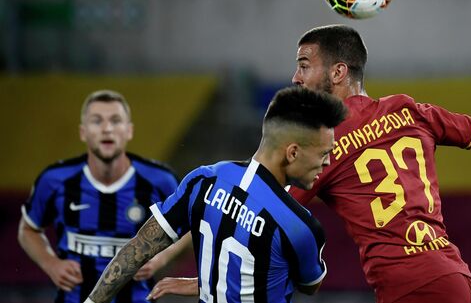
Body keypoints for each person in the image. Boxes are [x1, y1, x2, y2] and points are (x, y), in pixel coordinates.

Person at [145, 25, 471, 303]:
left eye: (305, 65)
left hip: (409, 286)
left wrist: (190, 274)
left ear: (338, 71)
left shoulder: (323, 142)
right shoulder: (409, 110)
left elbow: (248, 207)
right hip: (453, 275)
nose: (296, 76)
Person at [83, 86, 348, 303]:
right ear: (292, 153)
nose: (326, 163)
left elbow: (139, 247)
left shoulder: (204, 179)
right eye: (324, 154)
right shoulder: (300, 226)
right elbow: (309, 284)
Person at [18, 89, 190, 303]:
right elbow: (28, 229)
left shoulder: (159, 180)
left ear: (129, 131)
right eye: (97, 121)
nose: (107, 129)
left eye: (116, 121)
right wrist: (51, 264)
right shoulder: (54, 180)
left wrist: (160, 257)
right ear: (83, 132)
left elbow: (189, 227)